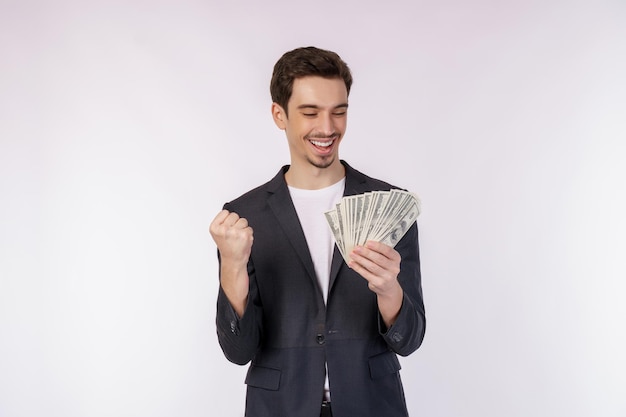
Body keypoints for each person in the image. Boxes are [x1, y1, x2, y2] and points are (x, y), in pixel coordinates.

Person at [209, 46, 426, 417]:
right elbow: (238, 351)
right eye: (310, 112)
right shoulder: (243, 217)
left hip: (372, 405)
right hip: (279, 406)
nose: (327, 128)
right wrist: (232, 266)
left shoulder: (390, 205)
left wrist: (390, 289)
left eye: (338, 112)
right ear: (280, 115)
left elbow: (410, 339)